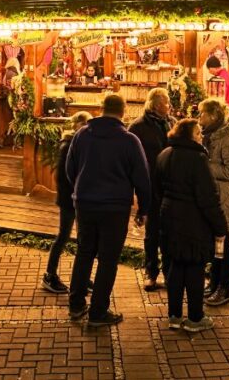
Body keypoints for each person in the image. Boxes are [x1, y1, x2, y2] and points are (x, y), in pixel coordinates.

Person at [65, 94, 151, 327]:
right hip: (115, 206)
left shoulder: (82, 135)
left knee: (84, 252)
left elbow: (70, 168)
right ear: (123, 112)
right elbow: (142, 178)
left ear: (101, 109)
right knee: (108, 259)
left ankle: (76, 304)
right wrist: (143, 209)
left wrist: (80, 190)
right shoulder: (129, 141)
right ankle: (98, 312)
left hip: (85, 203)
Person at [156, 118, 228, 333]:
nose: (201, 136)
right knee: (195, 268)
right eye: (198, 133)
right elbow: (208, 197)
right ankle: (196, 317)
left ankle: (174, 315)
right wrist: (220, 226)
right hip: (193, 220)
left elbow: (157, 188)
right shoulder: (197, 159)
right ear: (189, 135)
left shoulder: (164, 154)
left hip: (169, 216)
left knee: (176, 265)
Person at [128, 88, 176, 291]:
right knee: (152, 232)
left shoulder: (172, 123)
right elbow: (131, 158)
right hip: (150, 185)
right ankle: (151, 271)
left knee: (170, 231)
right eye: (166, 102)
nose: (169, 106)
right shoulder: (138, 127)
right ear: (156, 105)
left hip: (171, 185)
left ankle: (170, 271)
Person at [42, 110, 92, 294]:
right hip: (70, 198)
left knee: (82, 238)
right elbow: (64, 176)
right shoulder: (69, 145)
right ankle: (50, 275)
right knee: (63, 236)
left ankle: (82, 276)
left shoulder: (77, 143)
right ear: (78, 125)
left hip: (78, 197)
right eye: (85, 125)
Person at [197, 97, 229, 306]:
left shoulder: (227, 139)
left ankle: (225, 287)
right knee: (216, 244)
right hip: (211, 197)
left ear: (213, 115)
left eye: (202, 113)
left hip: (223, 198)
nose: (199, 118)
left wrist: (206, 167)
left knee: (225, 244)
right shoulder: (209, 136)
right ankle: (214, 282)